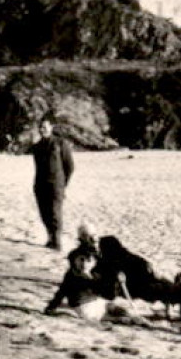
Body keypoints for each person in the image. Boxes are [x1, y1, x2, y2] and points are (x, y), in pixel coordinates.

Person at [45, 244, 126, 321]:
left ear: (94, 262)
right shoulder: (73, 276)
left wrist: (116, 280)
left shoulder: (93, 273)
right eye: (81, 259)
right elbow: (61, 292)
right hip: (84, 307)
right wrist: (51, 307)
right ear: (74, 260)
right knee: (107, 316)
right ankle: (120, 319)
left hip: (95, 302)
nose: (84, 264)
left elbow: (109, 294)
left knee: (114, 307)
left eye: (89, 260)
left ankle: (126, 315)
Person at [30, 118, 75, 250]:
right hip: (40, 184)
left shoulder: (61, 143)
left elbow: (70, 166)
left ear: (51, 127)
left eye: (45, 127)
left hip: (56, 184)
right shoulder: (37, 147)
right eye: (40, 127)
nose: (42, 129)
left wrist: (63, 183)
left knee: (55, 212)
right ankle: (50, 237)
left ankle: (57, 241)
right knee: (44, 213)